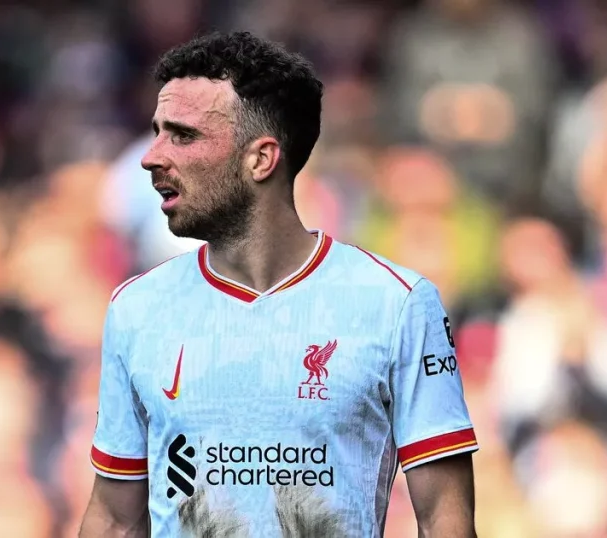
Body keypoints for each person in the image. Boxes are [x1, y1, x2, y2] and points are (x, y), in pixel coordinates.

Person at [79, 31, 478, 538]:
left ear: (261, 159)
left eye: (182, 136)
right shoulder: (136, 307)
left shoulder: (397, 303)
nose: (150, 156)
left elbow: (445, 518)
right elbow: (115, 519)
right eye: (156, 132)